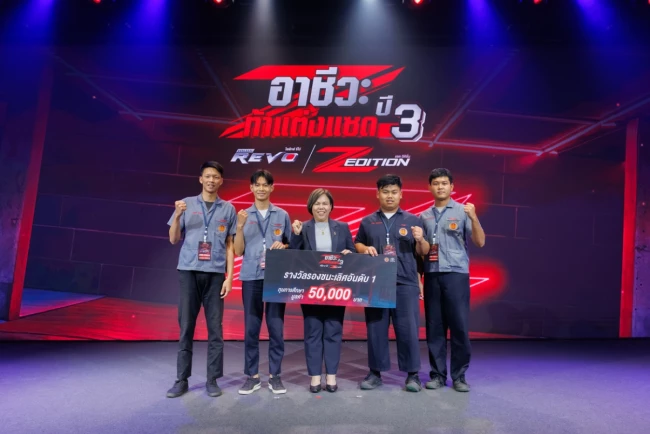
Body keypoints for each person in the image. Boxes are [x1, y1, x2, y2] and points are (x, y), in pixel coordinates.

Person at [166, 161, 236, 398]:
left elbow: (230, 246)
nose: (211, 180)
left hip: (215, 274)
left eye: (215, 177)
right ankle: (181, 379)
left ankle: (212, 379)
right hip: (189, 271)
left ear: (221, 181)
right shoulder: (186, 204)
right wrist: (177, 215)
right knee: (186, 326)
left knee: (215, 329)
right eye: (207, 176)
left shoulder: (228, 209)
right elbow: (173, 238)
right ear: (200, 179)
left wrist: (230, 277)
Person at [354, 174, 427, 392]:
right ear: (378, 194)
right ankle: (375, 373)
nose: (389, 196)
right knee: (376, 329)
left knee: (408, 329)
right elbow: (357, 243)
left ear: (401, 194)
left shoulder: (413, 220)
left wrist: (421, 239)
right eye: (385, 192)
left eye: (394, 192)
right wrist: (364, 249)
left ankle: (413, 375)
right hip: (376, 282)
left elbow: (423, 252)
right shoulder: (367, 221)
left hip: (405, 282)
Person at [416, 168, 485, 393]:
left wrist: (474, 217)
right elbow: (421, 251)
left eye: (444, 183)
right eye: (436, 183)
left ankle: (459, 376)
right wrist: (419, 278)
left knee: (459, 327)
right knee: (434, 328)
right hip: (432, 274)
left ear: (452, 187)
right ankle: (437, 375)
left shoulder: (463, 211)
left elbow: (480, 242)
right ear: (430, 187)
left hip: (456, 275)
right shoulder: (424, 216)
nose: (440, 187)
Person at [289, 188, 355, 393]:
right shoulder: (303, 228)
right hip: (311, 290)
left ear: (331, 206)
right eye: (317, 203)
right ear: (311, 206)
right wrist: (296, 235)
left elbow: (352, 252)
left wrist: (349, 254)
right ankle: (315, 376)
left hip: (336, 289)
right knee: (313, 332)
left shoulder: (342, 227)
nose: (321, 207)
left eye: (325, 203)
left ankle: (332, 376)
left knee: (333, 331)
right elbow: (293, 256)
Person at [234, 169, 291, 395]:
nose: (261, 188)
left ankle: (275, 375)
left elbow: (290, 244)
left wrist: (283, 246)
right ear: (251, 188)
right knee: (251, 328)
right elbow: (238, 250)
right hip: (251, 276)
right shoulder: (243, 215)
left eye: (265, 184)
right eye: (257, 184)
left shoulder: (282, 215)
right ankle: (252, 376)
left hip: (276, 277)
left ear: (271, 188)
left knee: (276, 328)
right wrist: (239, 227)